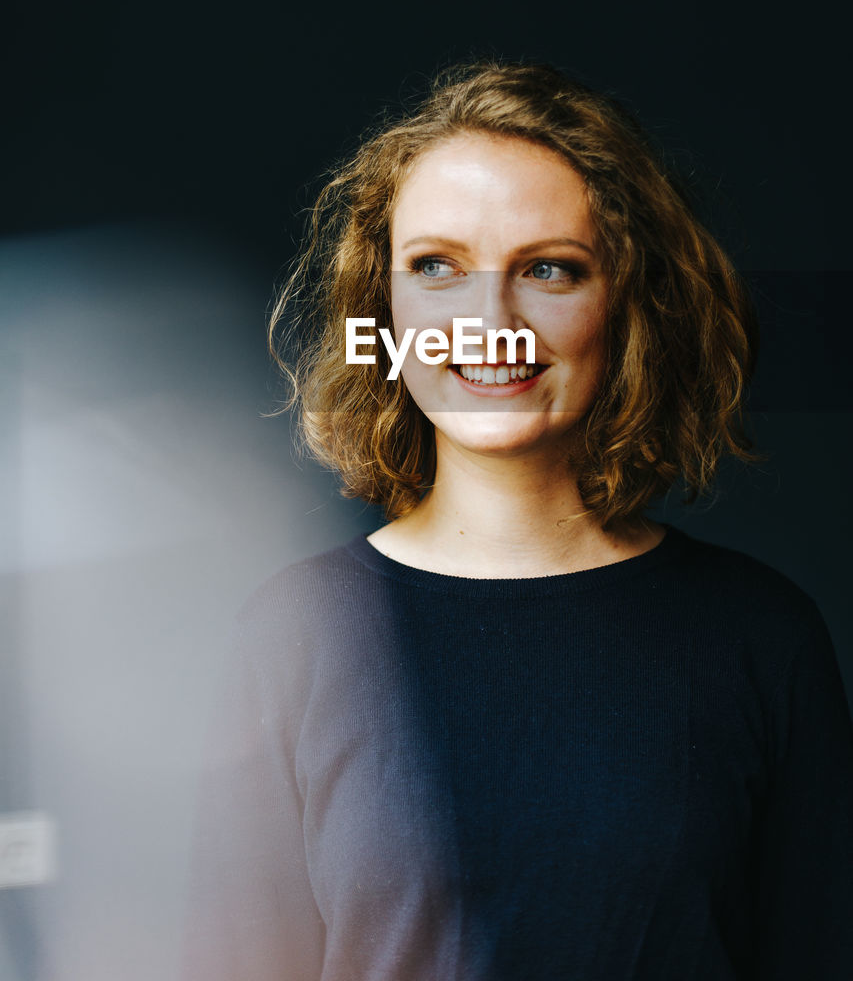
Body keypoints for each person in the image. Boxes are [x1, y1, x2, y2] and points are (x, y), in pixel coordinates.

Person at [182, 60, 853, 980]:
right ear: (383, 309)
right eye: (436, 268)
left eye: (548, 269)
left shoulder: (760, 637)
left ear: (627, 308)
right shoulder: (293, 635)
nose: (488, 322)